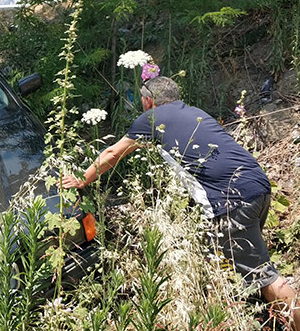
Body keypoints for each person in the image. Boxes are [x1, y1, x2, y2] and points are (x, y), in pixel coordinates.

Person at [62, 76, 299, 330]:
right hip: (258, 185)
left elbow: (112, 153)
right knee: (232, 259)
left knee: (263, 275)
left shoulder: (151, 117)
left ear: (147, 100)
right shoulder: (194, 112)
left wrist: (81, 180)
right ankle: (260, 317)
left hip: (230, 200)